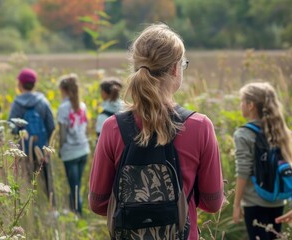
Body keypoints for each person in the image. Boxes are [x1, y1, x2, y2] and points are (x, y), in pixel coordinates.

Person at [89, 23, 224, 239]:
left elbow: (98, 203)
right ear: (174, 69)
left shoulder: (112, 127)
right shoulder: (200, 126)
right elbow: (213, 203)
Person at [233, 82, 292, 240]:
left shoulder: (243, 134)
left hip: (254, 202)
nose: (241, 105)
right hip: (278, 200)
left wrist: (236, 204)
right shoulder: (282, 132)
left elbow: (243, 171)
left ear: (250, 105)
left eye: (242, 101)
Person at [8, 68, 56, 206]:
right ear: (34, 84)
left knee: (28, 182)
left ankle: (32, 209)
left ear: (20, 85)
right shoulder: (43, 101)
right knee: (47, 182)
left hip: (23, 150)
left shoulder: (17, 103)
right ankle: (52, 209)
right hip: (43, 149)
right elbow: (51, 125)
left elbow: (12, 127)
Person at [57, 73, 90, 215]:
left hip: (70, 152)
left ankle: (78, 215)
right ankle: (74, 213)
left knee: (74, 187)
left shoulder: (63, 108)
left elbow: (63, 133)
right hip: (84, 150)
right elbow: (85, 127)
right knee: (77, 186)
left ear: (64, 90)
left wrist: (60, 148)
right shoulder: (82, 105)